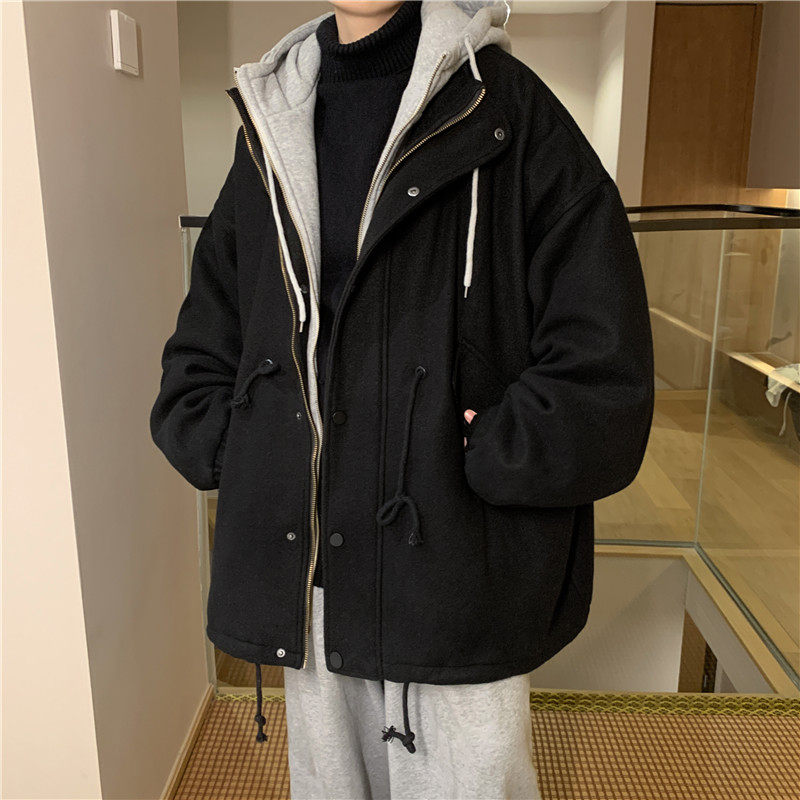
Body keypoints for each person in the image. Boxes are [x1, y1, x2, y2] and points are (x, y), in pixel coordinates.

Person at [150, 0, 655, 797]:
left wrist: (490, 449)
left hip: (454, 559)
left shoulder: (507, 106)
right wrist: (239, 445)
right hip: (312, 562)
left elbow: (604, 359)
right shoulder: (271, 127)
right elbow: (208, 334)